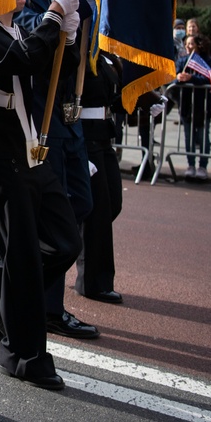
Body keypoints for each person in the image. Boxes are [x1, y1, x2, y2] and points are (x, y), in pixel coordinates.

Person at [0, 0, 83, 389]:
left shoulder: (16, 27)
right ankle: (23, 356)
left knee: (65, 242)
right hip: (2, 159)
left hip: (32, 150)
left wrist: (68, 39)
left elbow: (54, 69)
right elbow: (21, 60)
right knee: (27, 263)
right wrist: (54, 15)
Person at [12, 0, 98, 341]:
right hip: (38, 121)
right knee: (57, 220)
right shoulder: (20, 0)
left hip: (66, 121)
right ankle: (49, 307)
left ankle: (10, 259)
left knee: (80, 206)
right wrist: (56, 14)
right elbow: (30, 48)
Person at [76, 51, 125, 303]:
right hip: (84, 135)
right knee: (96, 212)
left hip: (104, 136)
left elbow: (111, 97)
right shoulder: (80, 52)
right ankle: (94, 283)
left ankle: (34, 242)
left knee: (112, 203)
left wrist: (145, 98)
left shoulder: (104, 57)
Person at [175, 34, 211, 180]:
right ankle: (191, 165)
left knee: (203, 137)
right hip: (187, 106)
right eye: (186, 44)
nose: (188, 46)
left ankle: (203, 167)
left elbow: (210, 79)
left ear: (198, 45)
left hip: (203, 106)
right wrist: (179, 78)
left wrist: (191, 78)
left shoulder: (207, 61)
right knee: (189, 137)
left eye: (191, 44)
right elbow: (174, 77)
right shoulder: (182, 61)